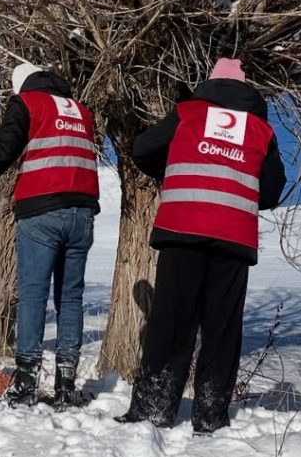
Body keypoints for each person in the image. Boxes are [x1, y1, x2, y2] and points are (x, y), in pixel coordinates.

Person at [116, 57, 286, 433]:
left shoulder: (188, 113)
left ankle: (153, 409)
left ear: (209, 84)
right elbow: (273, 190)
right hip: (233, 237)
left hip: (184, 228)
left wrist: (174, 166)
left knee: (172, 320)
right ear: (247, 90)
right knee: (222, 328)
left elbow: (142, 148)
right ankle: (210, 416)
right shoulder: (260, 130)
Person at [0, 63, 100, 408]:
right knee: (70, 297)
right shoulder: (81, 110)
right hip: (82, 212)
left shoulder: (27, 103)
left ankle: (25, 383)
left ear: (20, 87)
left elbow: (4, 149)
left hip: (42, 210)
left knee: (34, 295)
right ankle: (66, 386)